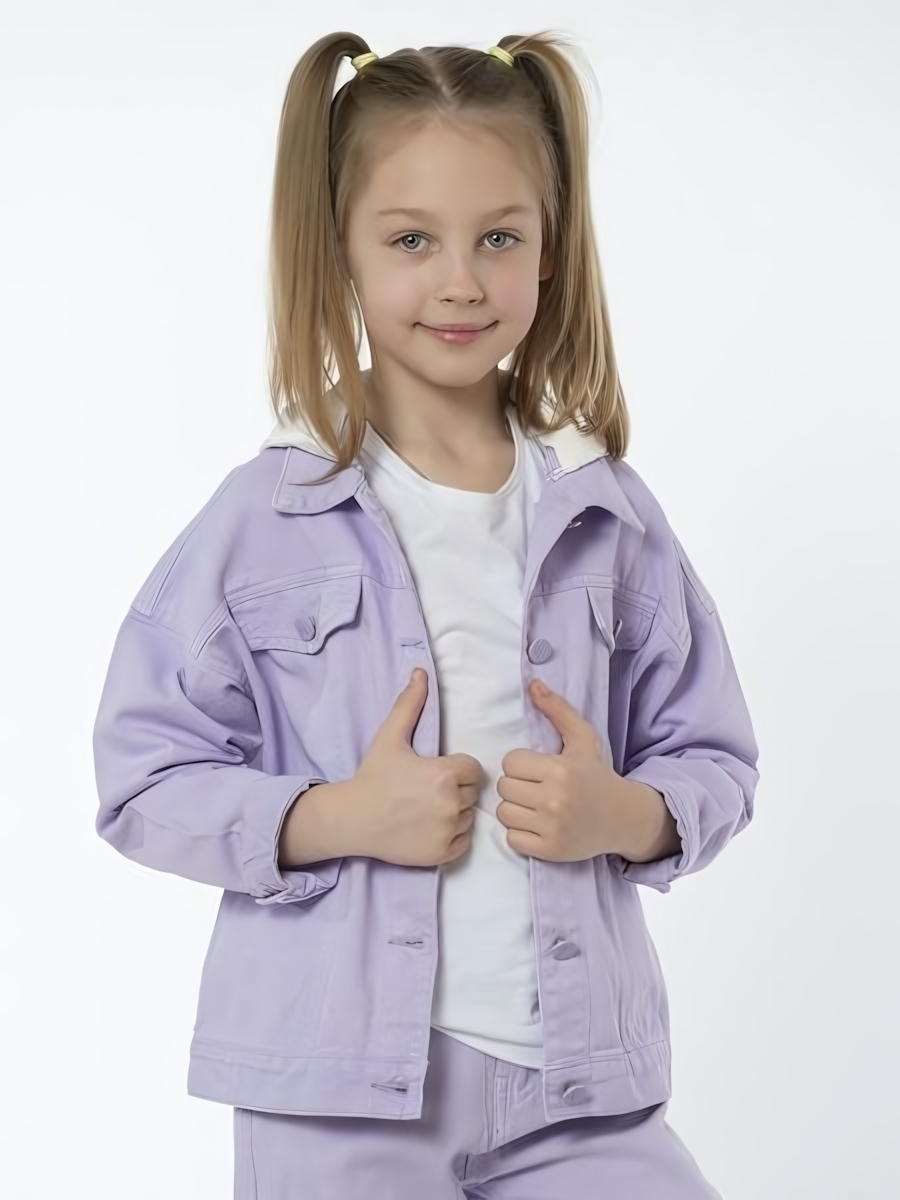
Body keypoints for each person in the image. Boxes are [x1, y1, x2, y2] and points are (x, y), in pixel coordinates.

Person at [93, 30, 759, 1199]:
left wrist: (627, 812)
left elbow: (715, 755)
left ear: (550, 251)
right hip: (337, 1096)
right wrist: (335, 815)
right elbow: (141, 779)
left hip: (580, 1094)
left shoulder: (609, 510)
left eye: (500, 237)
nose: (461, 281)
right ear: (338, 251)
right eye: (411, 240)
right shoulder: (265, 516)